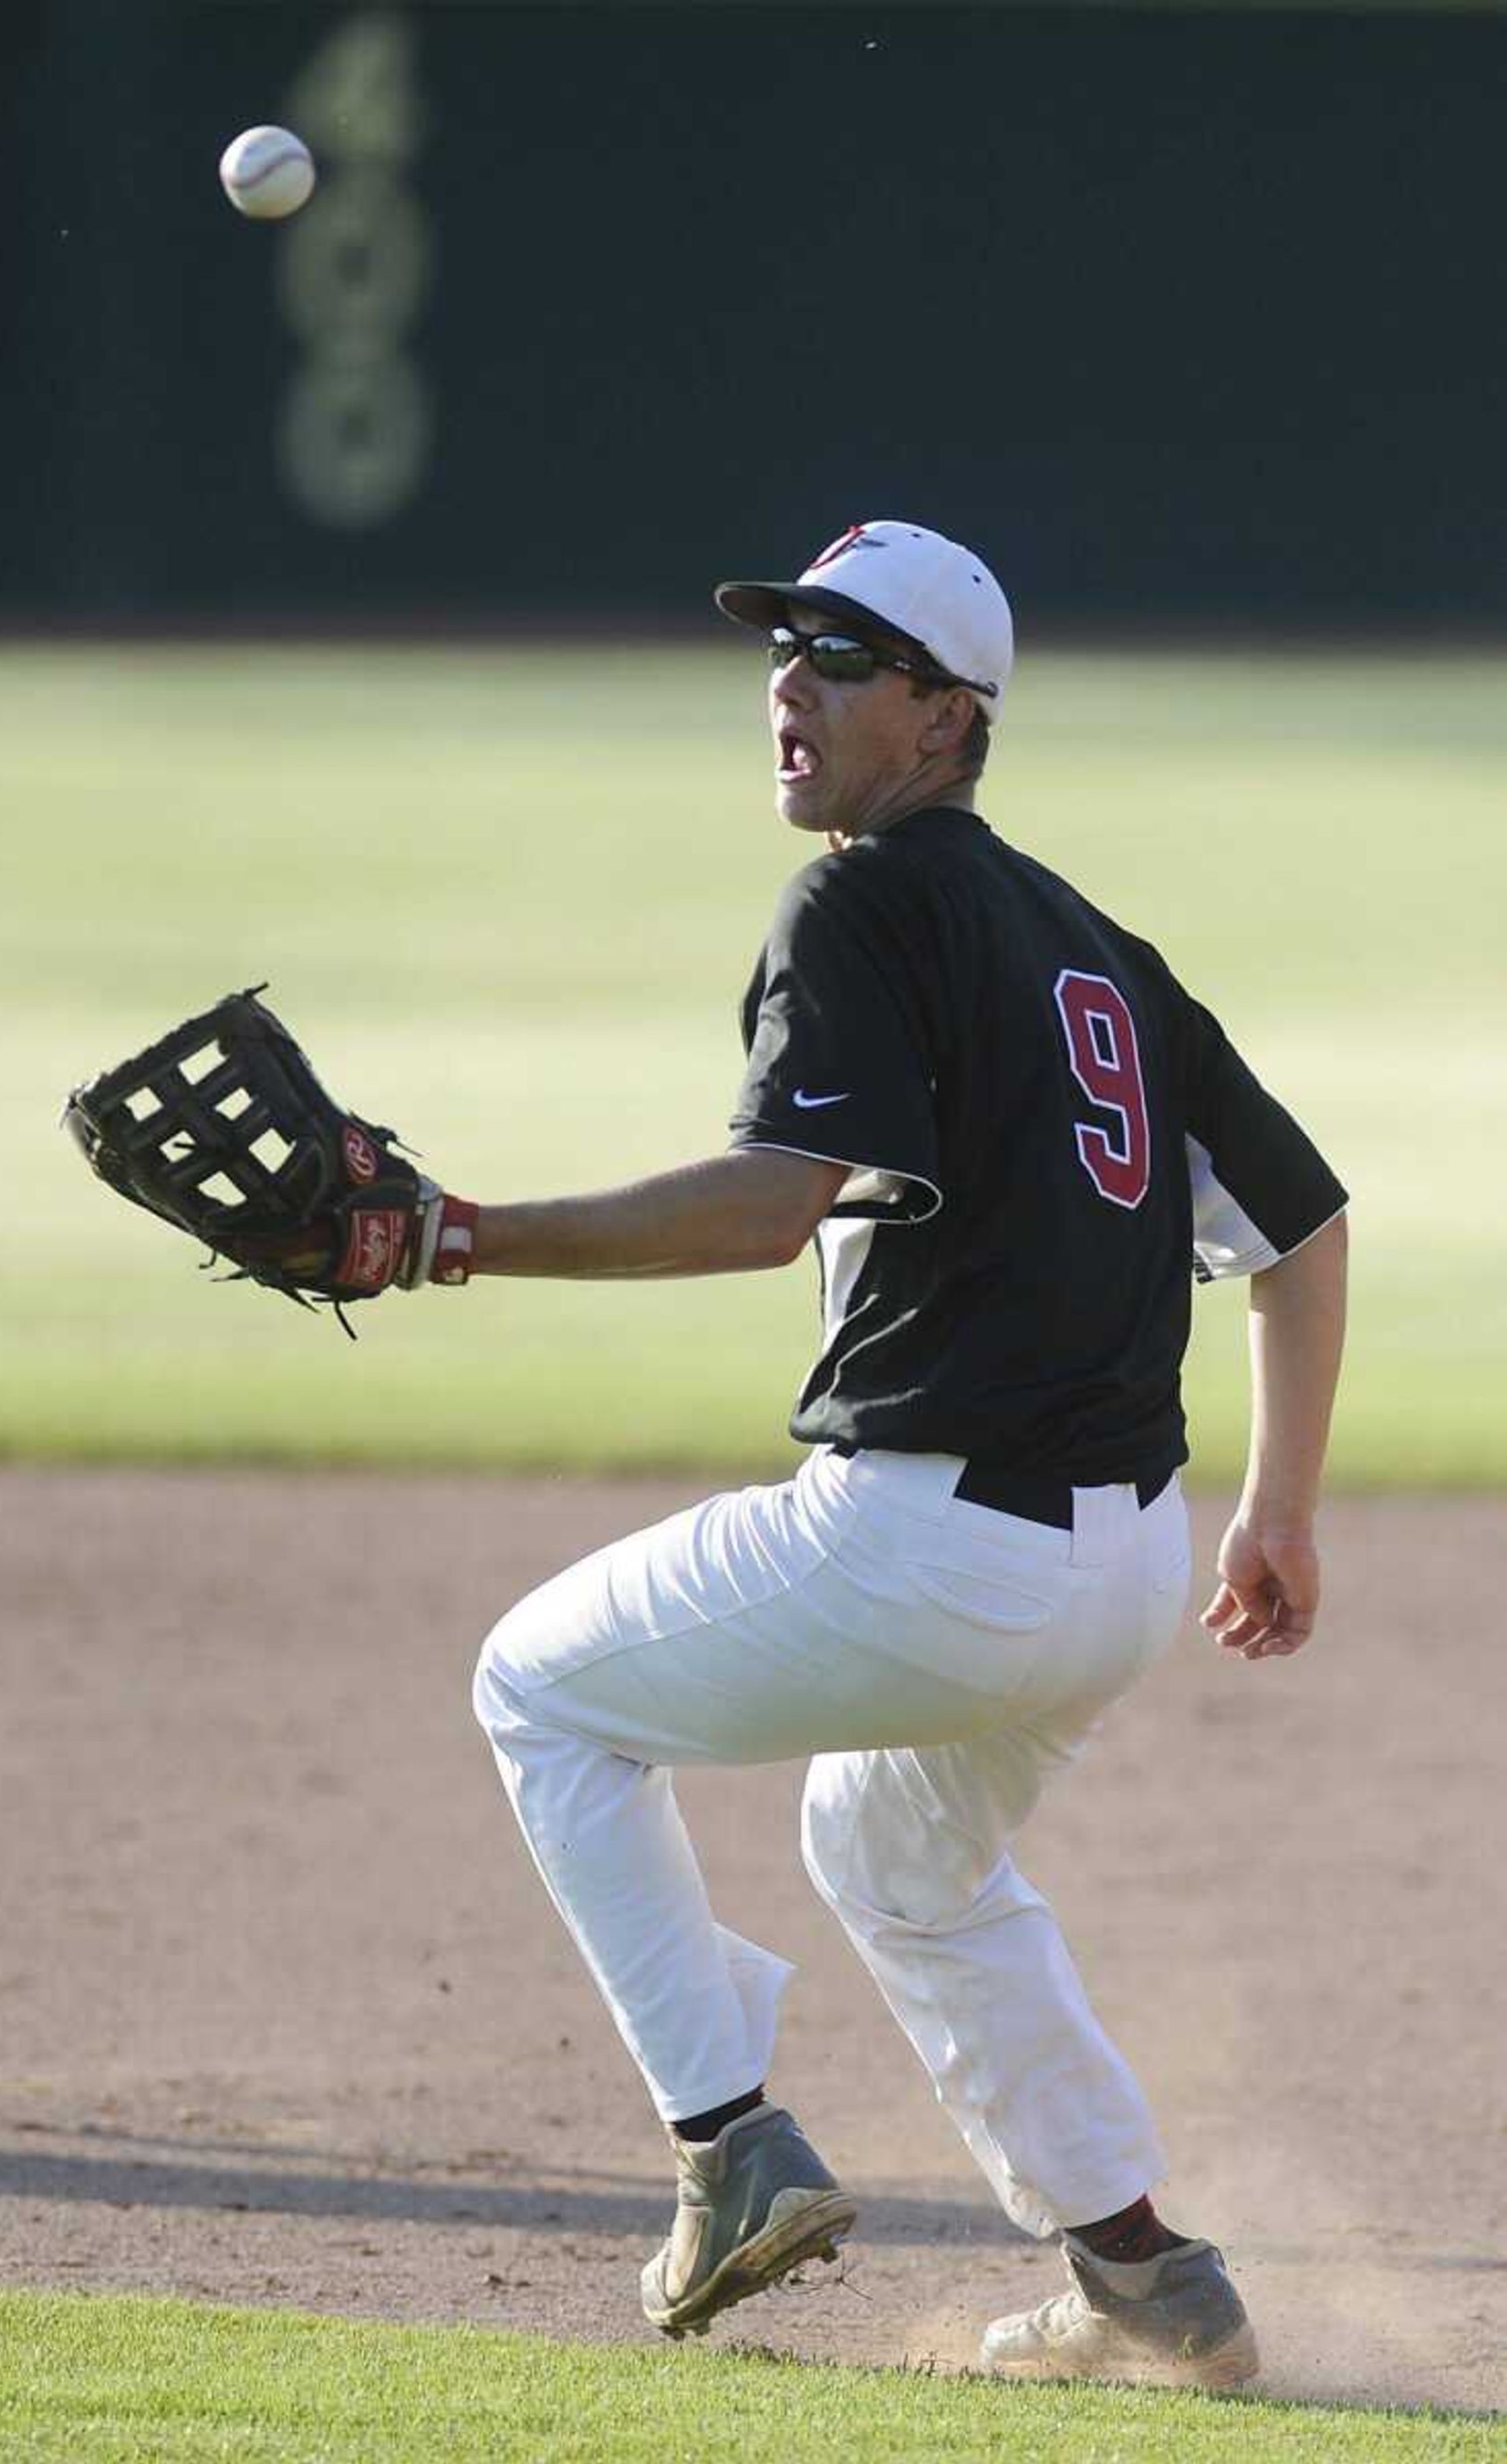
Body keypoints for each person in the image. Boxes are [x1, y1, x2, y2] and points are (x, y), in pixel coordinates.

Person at [427, 520, 1347, 2382]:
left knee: (538, 1688)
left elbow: (772, 1204)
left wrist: (463, 1231)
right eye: (782, 646)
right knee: (888, 1842)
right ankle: (1144, 2269)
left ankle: (728, 2144)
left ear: (945, 718)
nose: (789, 683)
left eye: (839, 658)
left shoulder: (860, 905)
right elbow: (1306, 1231)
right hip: (1126, 1565)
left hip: (930, 1543)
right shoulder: (1104, 949)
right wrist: (1279, 1514)